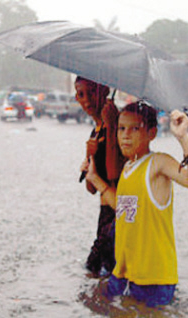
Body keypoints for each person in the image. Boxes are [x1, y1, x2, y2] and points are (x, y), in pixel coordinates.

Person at [81, 101, 188, 307]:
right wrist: (94, 178)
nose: (125, 135)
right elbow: (123, 209)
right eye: (121, 128)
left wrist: (183, 139)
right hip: (124, 274)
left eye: (134, 129)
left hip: (153, 279)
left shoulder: (158, 163)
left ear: (151, 133)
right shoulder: (128, 168)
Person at [75, 76, 125, 277]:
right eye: (80, 94)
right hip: (104, 217)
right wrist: (89, 156)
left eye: (91, 93)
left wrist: (112, 127)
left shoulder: (120, 125)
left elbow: (115, 174)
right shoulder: (94, 132)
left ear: (104, 91)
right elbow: (91, 188)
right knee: (96, 277)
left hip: (118, 215)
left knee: (107, 276)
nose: (86, 100)